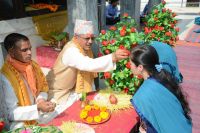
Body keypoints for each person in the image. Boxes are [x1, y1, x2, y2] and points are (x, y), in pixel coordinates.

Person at [46, 19, 128, 104]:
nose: (90, 41)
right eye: (87, 38)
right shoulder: (71, 50)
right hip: (58, 93)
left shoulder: (85, 49)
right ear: (76, 37)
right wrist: (113, 56)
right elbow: (88, 64)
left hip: (72, 91)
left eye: (92, 38)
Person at [130, 45, 192, 133]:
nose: (130, 67)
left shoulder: (144, 94)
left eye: (131, 64)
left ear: (140, 67)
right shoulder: (164, 77)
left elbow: (154, 126)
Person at [0, 33, 55, 129]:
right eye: (24, 50)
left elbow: (43, 88)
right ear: (12, 52)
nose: (30, 52)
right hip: (19, 122)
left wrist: (41, 100)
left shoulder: (32, 65)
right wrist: (37, 108)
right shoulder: (5, 76)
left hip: (37, 112)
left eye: (30, 48)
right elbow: (11, 113)